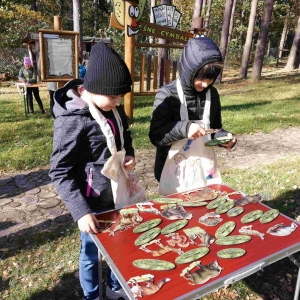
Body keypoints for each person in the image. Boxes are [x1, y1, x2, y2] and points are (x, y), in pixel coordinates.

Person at [49, 42, 135, 300]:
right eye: (114, 97)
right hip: (93, 202)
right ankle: (93, 295)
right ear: (91, 89)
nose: (118, 102)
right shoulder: (73, 121)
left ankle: (114, 286)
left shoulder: (113, 108)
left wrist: (128, 153)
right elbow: (60, 171)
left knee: (120, 245)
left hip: (118, 194)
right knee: (91, 254)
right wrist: (81, 211)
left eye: (121, 97)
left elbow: (124, 134)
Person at [149, 36, 237, 194]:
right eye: (201, 78)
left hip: (203, 172)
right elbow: (156, 136)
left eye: (210, 79)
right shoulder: (167, 94)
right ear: (189, 71)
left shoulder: (212, 94)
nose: (205, 84)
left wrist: (225, 138)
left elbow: (214, 130)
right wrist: (184, 128)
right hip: (172, 174)